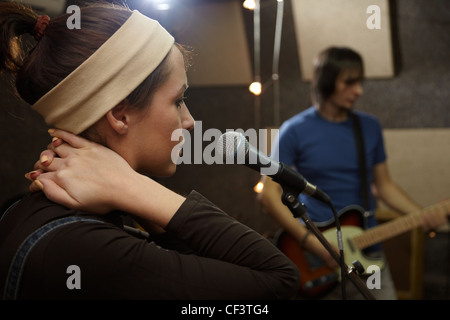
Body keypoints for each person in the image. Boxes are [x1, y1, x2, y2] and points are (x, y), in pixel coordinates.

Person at [0, 2, 300, 299]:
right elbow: (279, 280)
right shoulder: (84, 247)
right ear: (119, 116)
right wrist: (132, 187)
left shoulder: (38, 215)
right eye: (177, 100)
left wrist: (127, 193)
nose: (190, 122)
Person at [258, 46, 449, 300]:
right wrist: (313, 243)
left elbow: (384, 186)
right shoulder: (294, 130)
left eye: (360, 82)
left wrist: (422, 215)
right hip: (317, 256)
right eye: (349, 82)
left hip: (369, 251)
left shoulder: (369, 127)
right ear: (326, 80)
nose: (358, 90)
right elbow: (269, 195)